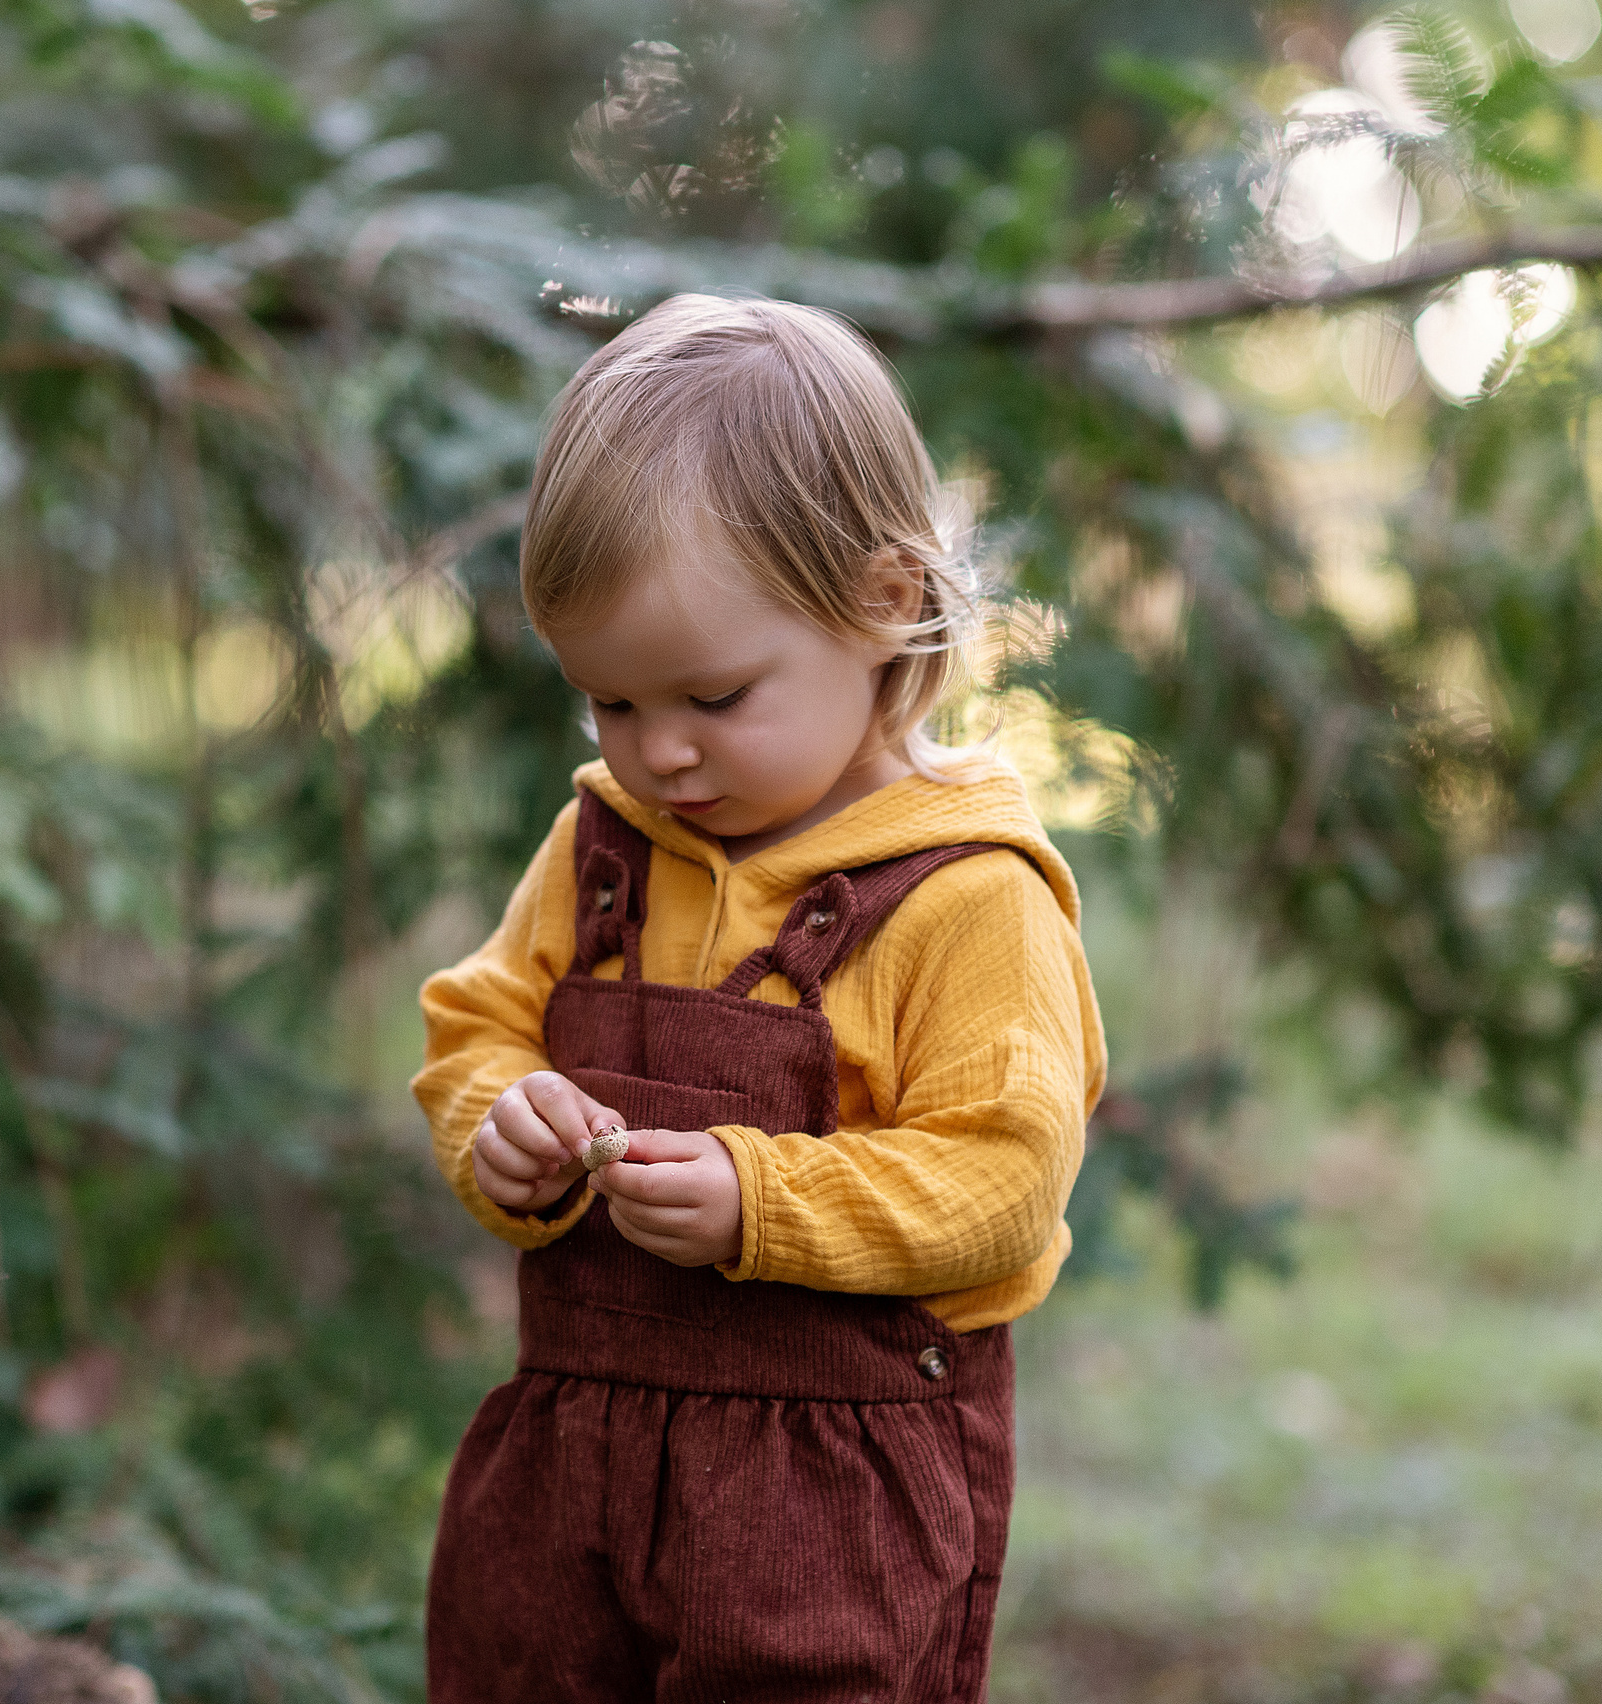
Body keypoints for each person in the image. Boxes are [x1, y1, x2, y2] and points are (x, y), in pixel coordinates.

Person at [413, 293, 1106, 1703]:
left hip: (830, 1493)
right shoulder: (602, 851)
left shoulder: (967, 896)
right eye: (609, 703)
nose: (656, 752)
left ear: (888, 603)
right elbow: (479, 1021)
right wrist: (505, 1128)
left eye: (714, 697)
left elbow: (1005, 1174)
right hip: (573, 1466)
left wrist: (762, 1203)